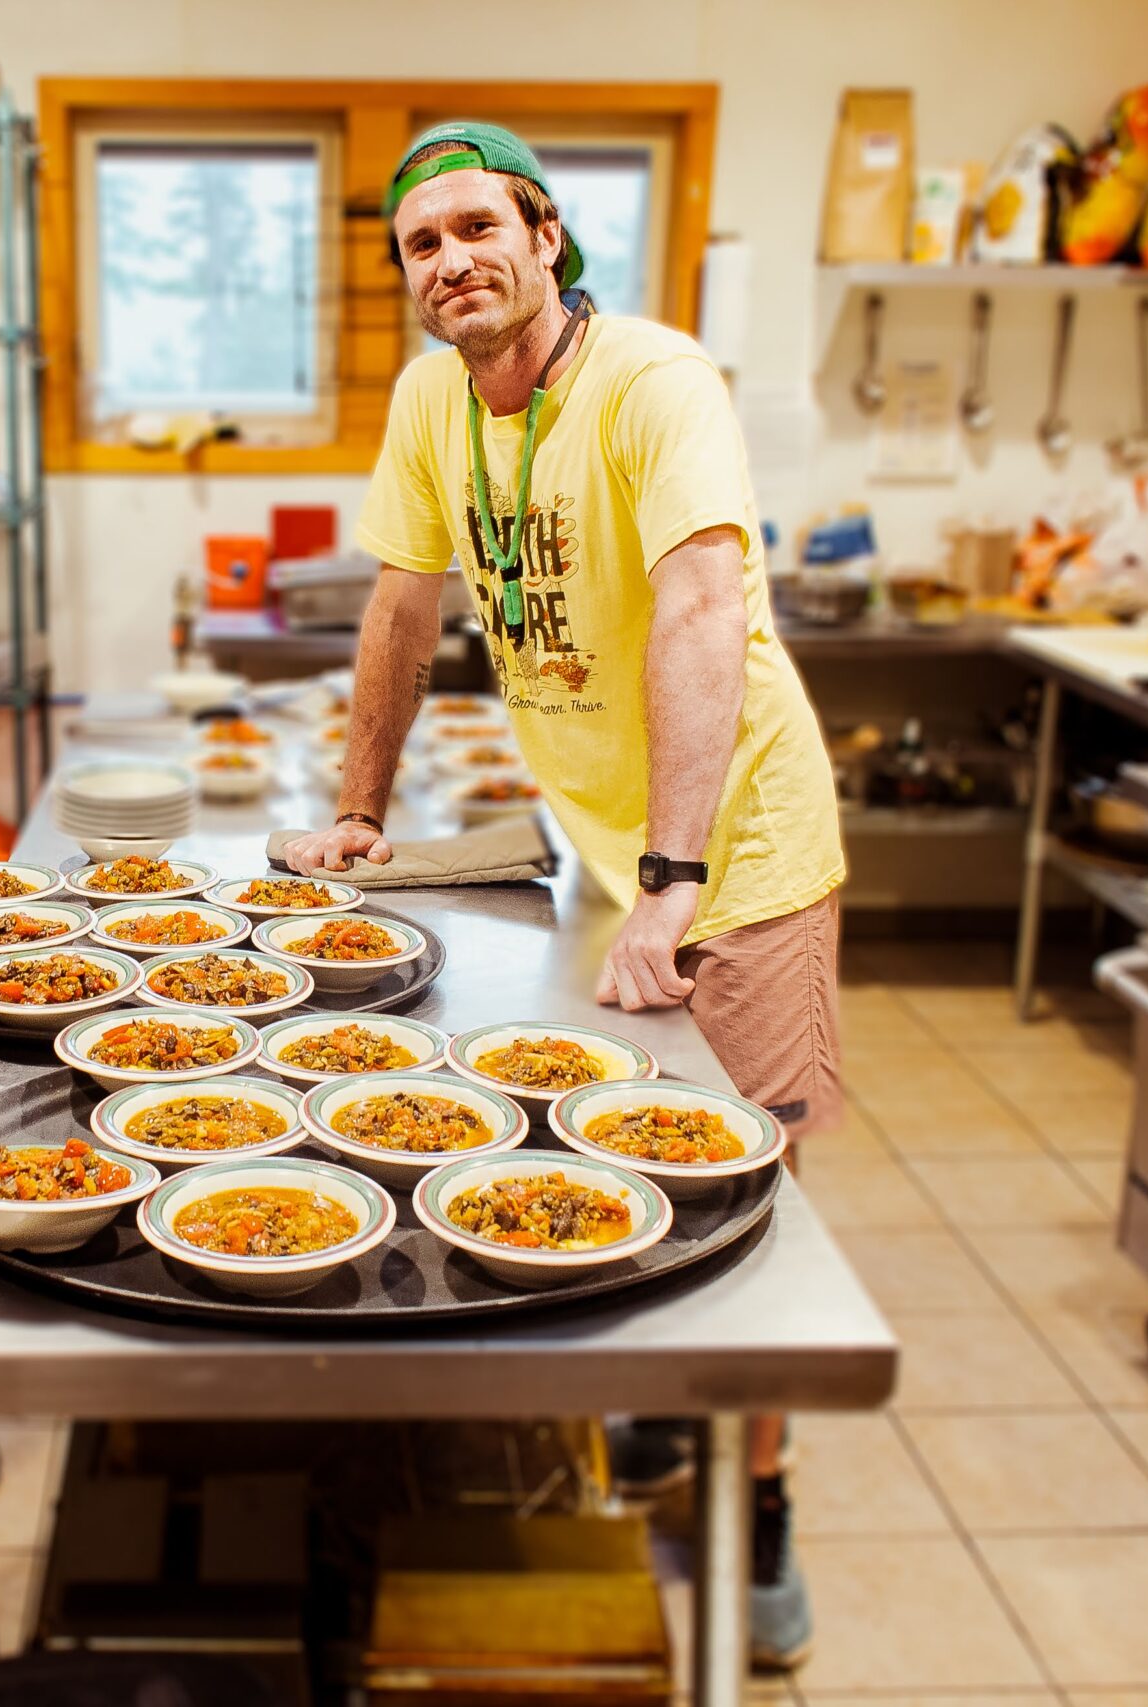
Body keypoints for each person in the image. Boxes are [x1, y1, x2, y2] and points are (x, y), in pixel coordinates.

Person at [282, 120, 847, 1670]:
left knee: (748, 1201)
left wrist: (673, 883)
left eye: (478, 227)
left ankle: (766, 1510)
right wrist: (354, 810)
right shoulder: (431, 401)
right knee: (625, 1150)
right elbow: (402, 606)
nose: (452, 261)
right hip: (609, 845)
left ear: (542, 232)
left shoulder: (653, 382)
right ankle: (673, 1426)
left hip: (740, 849)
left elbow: (703, 608)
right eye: (420, 244)